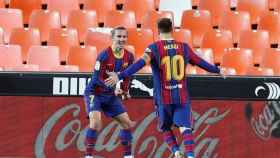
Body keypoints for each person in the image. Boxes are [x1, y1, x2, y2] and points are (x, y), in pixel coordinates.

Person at [105, 18, 225, 158]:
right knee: (185, 127)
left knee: (165, 127)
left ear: (158, 31)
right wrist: (216, 70)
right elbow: (200, 62)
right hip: (181, 96)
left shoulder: (154, 48)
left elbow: (139, 64)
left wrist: (120, 75)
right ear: (172, 29)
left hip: (163, 98)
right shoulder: (184, 47)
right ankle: (191, 155)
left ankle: (176, 152)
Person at [83, 26, 135, 158]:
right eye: (119, 36)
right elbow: (96, 78)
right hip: (95, 92)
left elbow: (128, 76)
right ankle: (88, 156)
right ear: (112, 38)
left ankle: (128, 156)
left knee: (127, 123)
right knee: (95, 123)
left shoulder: (129, 57)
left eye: (124, 36)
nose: (122, 39)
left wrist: (124, 90)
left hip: (110, 95)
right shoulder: (104, 55)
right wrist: (113, 88)